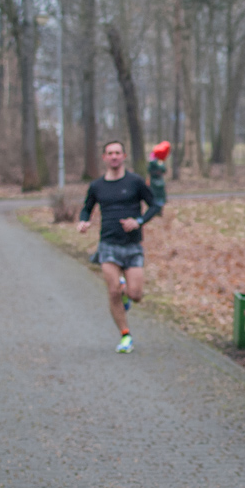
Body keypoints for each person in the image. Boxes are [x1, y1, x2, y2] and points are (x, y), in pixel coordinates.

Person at [78, 141, 161, 353]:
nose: (114, 157)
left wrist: (139, 221)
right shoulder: (97, 186)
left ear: (124, 156)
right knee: (113, 290)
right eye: (109, 153)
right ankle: (125, 335)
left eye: (117, 153)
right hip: (108, 244)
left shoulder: (135, 182)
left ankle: (127, 292)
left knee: (136, 295)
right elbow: (87, 208)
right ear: (104, 157)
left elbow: (155, 205)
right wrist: (84, 221)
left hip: (132, 245)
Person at [147, 141, 169, 225]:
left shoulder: (160, 162)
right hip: (154, 182)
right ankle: (155, 210)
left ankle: (160, 210)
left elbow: (163, 170)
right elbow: (150, 169)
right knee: (155, 196)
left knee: (161, 196)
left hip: (160, 182)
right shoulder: (152, 161)